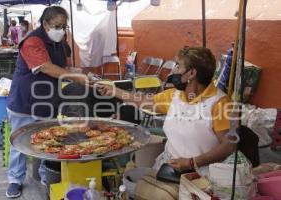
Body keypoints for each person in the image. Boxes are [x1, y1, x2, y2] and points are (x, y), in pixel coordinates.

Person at [97, 46, 236, 199]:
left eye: (178, 66)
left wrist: (192, 162)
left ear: (191, 73)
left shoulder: (219, 103)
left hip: (202, 176)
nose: (173, 71)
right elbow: (144, 100)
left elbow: (228, 145)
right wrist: (114, 90)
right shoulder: (175, 96)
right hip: (168, 169)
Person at [6, 6, 88, 198]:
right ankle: (15, 180)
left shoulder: (58, 42)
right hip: (25, 103)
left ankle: (45, 175)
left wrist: (81, 73)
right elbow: (46, 68)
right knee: (20, 144)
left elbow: (63, 67)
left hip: (47, 102)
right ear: (45, 24)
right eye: (57, 26)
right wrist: (76, 78)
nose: (61, 30)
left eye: (63, 26)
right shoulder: (32, 41)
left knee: (48, 140)